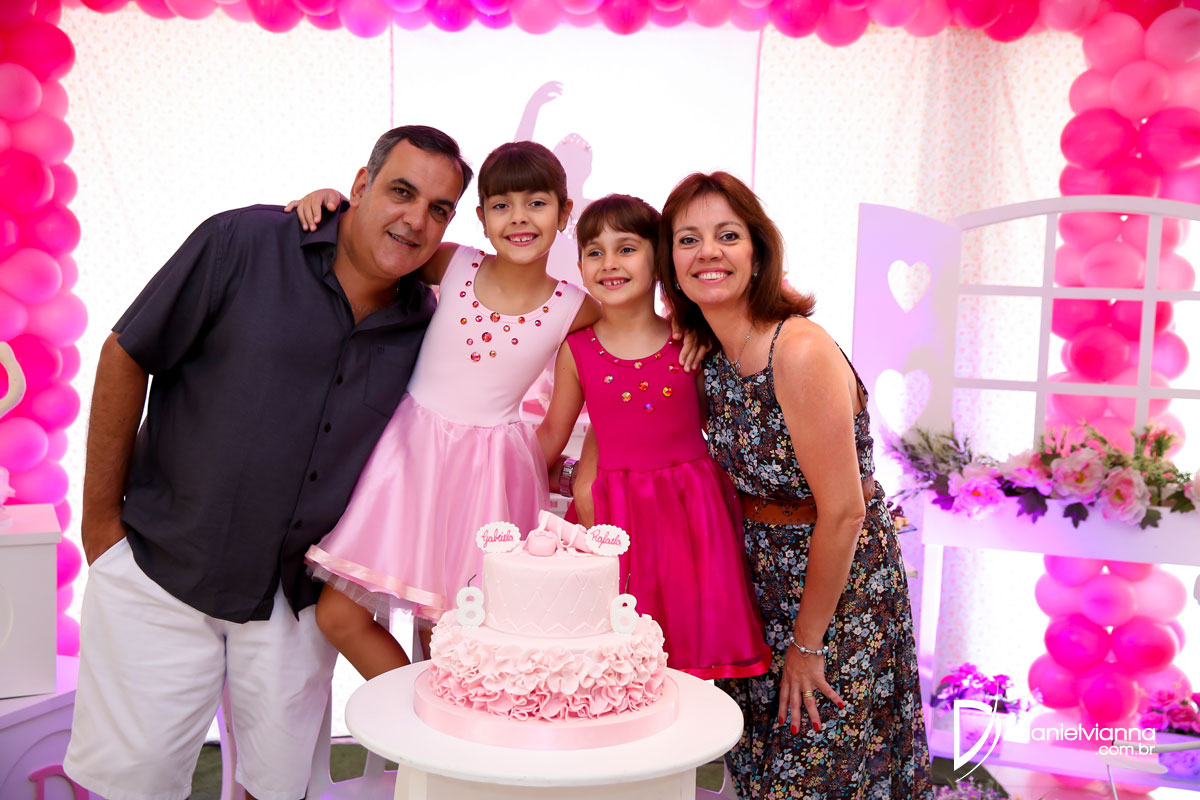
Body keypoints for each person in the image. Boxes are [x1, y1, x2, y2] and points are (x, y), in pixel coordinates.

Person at [63, 125, 472, 800]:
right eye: (401, 192)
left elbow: (513, 293)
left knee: (277, 789)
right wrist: (100, 526)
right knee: (130, 786)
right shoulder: (243, 242)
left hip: (296, 597)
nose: (415, 220)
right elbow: (126, 353)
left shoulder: (431, 323)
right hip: (164, 567)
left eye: (439, 209)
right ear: (362, 185)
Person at [657, 172, 932, 798]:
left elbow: (844, 512)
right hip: (757, 581)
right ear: (670, 263)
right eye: (688, 239)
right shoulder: (711, 350)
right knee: (759, 766)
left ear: (758, 252)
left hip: (835, 588)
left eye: (728, 236)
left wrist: (808, 645)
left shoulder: (797, 349)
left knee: (820, 769)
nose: (708, 252)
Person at [297, 141, 602, 681]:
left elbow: (624, 346)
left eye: (536, 203)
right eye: (502, 205)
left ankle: (449, 716)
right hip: (407, 459)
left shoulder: (575, 307)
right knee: (339, 615)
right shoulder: (454, 262)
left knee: (453, 635)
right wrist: (332, 204)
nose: (519, 218)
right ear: (481, 217)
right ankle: (415, 709)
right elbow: (378, 241)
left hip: (489, 477)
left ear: (564, 213)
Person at [535, 194, 772, 680]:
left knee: (690, 662)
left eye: (626, 248)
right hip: (612, 519)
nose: (609, 263)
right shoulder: (576, 351)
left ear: (658, 260)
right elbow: (552, 436)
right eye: (595, 252)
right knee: (614, 664)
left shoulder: (693, 341)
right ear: (579, 266)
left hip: (692, 516)